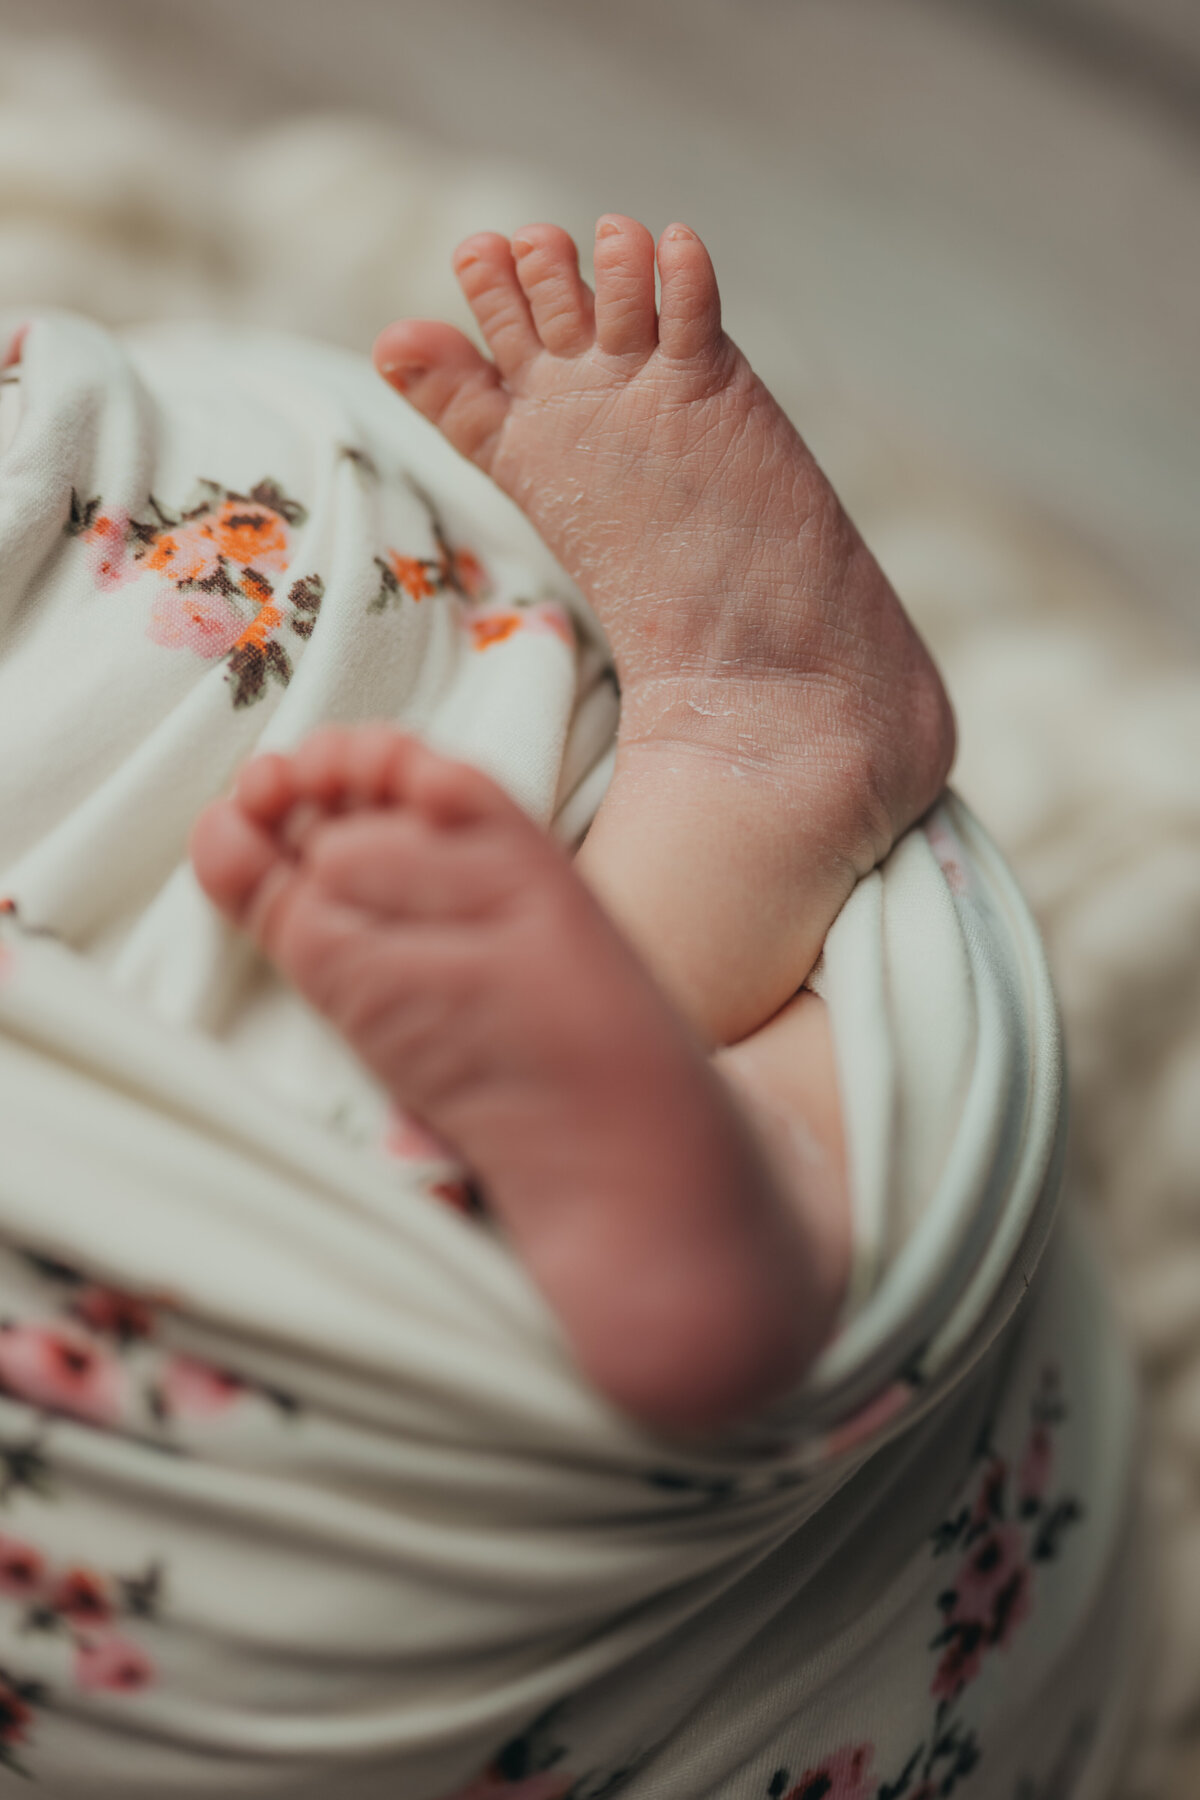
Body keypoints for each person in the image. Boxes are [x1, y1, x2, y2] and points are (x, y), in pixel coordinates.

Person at [0, 221, 1138, 1799]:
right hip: (982, 1547)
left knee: (255, 1227)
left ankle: (695, 927)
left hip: (848, 1678)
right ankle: (712, 852)